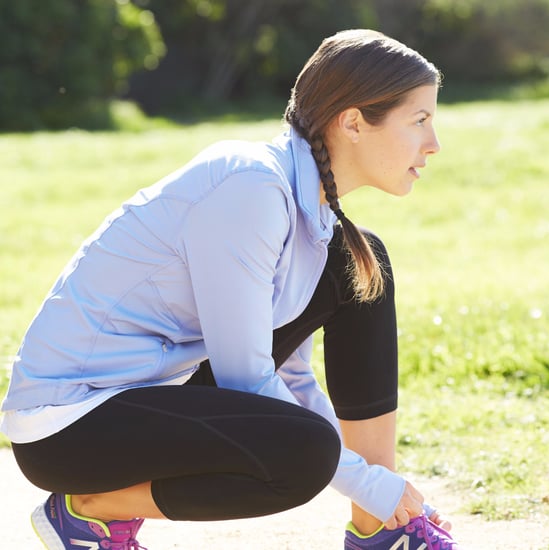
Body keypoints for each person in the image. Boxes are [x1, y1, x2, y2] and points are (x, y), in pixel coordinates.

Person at [0, 29, 459, 550]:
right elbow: (246, 375)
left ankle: (384, 531)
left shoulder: (309, 214)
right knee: (302, 455)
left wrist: (376, 491)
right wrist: (364, 479)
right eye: (419, 120)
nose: (433, 143)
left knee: (360, 264)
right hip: (71, 424)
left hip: (151, 393)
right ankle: (88, 512)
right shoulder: (251, 188)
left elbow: (291, 372)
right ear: (353, 121)